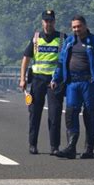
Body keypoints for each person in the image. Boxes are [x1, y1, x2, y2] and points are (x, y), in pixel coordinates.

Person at [51, 15, 94, 159]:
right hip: (72, 83)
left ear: (85, 25)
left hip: (89, 83)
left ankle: (89, 149)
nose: (76, 29)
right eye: (74, 27)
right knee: (71, 113)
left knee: (89, 114)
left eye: (79, 26)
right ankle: (71, 148)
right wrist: (55, 78)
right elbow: (61, 61)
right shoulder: (69, 41)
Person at [19, 10, 66, 155]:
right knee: (34, 113)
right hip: (38, 79)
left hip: (54, 81)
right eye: (46, 21)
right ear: (42, 22)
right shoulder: (36, 38)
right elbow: (26, 59)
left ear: (54, 22)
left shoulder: (63, 38)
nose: (48, 23)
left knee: (55, 114)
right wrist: (22, 79)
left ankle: (54, 147)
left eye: (51, 20)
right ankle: (32, 144)